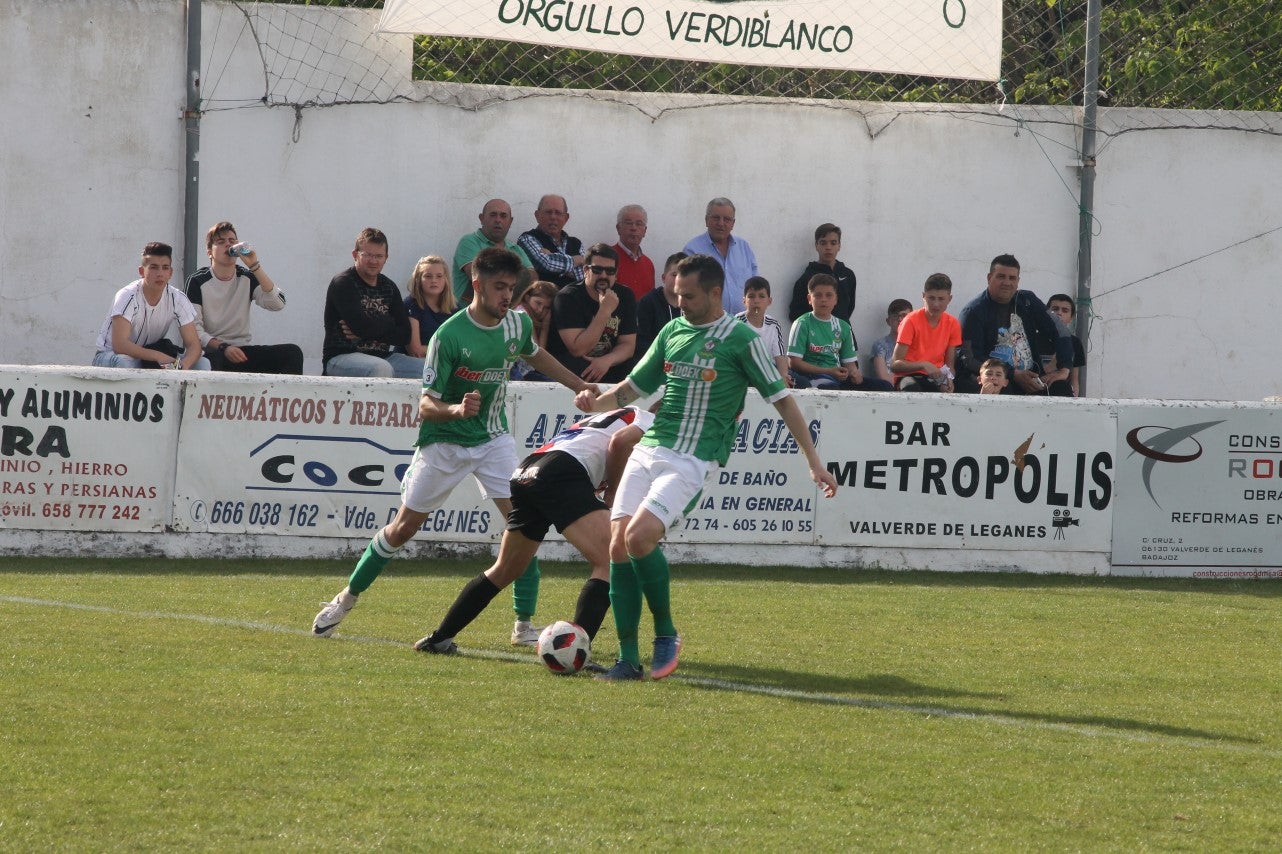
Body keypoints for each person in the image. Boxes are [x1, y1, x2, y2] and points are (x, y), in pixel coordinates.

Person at [311, 247, 599, 644]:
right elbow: (426, 404)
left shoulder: (516, 324)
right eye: (499, 287)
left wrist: (580, 386)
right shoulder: (448, 336)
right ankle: (346, 598)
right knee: (403, 529)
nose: (507, 297)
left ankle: (523, 626)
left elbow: (540, 356)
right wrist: (456, 410)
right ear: (477, 285)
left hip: (493, 440)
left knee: (525, 523)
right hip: (444, 442)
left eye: (512, 289)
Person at [574, 254, 839, 681]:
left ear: (716, 293)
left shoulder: (740, 338)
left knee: (639, 538)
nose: (680, 303)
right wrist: (594, 401)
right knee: (617, 545)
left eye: (689, 296)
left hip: (694, 457)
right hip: (651, 447)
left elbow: (783, 401)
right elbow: (632, 389)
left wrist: (814, 462)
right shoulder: (673, 330)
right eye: (677, 294)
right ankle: (627, 659)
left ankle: (665, 634)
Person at [412, 405, 653, 657]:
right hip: (560, 471)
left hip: (530, 469)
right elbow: (620, 443)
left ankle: (439, 639)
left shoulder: (624, 412)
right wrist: (613, 491)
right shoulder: (655, 419)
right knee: (611, 560)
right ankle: (575, 653)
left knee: (505, 569)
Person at [185, 221, 304, 374]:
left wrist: (254, 266)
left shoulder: (246, 277)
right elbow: (194, 331)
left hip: (242, 351)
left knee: (292, 353)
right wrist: (223, 347)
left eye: (232, 241)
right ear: (209, 252)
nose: (228, 245)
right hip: (212, 352)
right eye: (221, 242)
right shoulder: (197, 281)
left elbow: (278, 304)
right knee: (214, 362)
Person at [956, 254, 1073, 395]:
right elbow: (970, 359)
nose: (1007, 282)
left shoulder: (1028, 301)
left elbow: (1061, 331)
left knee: (1061, 387)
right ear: (989, 278)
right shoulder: (973, 312)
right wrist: (1012, 374)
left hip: (1032, 379)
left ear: (1018, 281)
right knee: (1001, 386)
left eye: (1012, 278)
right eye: (1001, 276)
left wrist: (1064, 369)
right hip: (998, 381)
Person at [92, 242, 211, 370]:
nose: (160, 273)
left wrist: (184, 365)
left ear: (170, 272)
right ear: (142, 271)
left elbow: (194, 345)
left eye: (165, 268)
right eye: (153, 267)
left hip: (148, 357)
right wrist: (157, 356)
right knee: (125, 362)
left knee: (202, 363)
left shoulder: (177, 298)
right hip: (111, 356)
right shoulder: (127, 296)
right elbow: (120, 345)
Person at [322, 227, 423, 379]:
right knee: (381, 368)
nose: (374, 261)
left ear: (386, 258)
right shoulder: (343, 283)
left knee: (427, 370)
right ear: (355, 255)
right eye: (367, 255)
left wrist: (370, 327)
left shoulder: (389, 287)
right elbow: (360, 326)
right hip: (341, 356)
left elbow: (404, 335)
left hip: (384, 356)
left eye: (379, 256)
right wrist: (388, 323)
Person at [547, 243, 638, 384]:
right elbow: (578, 349)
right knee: (579, 365)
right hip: (573, 368)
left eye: (610, 271)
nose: (603, 275)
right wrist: (605, 311)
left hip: (607, 364)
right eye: (597, 270)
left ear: (616, 274)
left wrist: (607, 360)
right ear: (585, 270)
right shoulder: (567, 297)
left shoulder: (625, 296)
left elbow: (628, 346)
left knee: (635, 367)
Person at [788, 274, 893, 391]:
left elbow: (850, 364)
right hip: (811, 377)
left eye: (829, 295)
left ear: (836, 299)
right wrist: (828, 371)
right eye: (818, 295)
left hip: (837, 378)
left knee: (885, 387)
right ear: (809, 299)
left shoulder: (844, 327)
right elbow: (794, 363)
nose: (823, 299)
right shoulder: (802, 324)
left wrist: (854, 373)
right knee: (831, 387)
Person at [683, 197, 758, 315]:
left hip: (742, 324)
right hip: (708, 325)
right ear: (706, 220)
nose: (721, 223)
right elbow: (687, 290)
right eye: (716, 218)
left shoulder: (744, 248)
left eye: (727, 219)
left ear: (733, 223)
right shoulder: (692, 250)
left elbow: (755, 286)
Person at [451, 198, 534, 304]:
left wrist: (494, 269)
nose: (498, 220)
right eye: (493, 215)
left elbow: (532, 277)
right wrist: (516, 272)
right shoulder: (469, 242)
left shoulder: (515, 249)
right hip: (468, 315)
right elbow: (478, 276)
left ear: (510, 221)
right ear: (481, 218)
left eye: (503, 216)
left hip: (505, 315)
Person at [890, 273, 962, 392]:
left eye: (941, 299)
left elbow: (949, 365)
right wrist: (923, 364)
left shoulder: (953, 323)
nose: (935, 304)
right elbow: (895, 365)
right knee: (912, 388)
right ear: (923, 296)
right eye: (931, 298)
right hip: (909, 377)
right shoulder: (910, 321)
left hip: (937, 378)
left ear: (949, 299)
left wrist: (949, 379)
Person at [788, 223, 857, 323]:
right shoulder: (807, 278)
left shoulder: (848, 275)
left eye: (833, 243)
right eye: (823, 243)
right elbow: (795, 314)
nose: (828, 247)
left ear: (839, 246)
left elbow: (849, 308)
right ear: (816, 246)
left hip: (843, 335)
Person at [517, 194, 585, 288]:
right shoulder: (527, 238)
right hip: (544, 300)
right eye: (548, 212)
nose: (553, 217)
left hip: (575, 300)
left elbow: (587, 275)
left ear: (566, 218)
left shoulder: (576, 243)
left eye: (558, 213)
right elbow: (547, 264)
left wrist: (553, 258)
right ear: (537, 215)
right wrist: (577, 260)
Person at [735, 276, 791, 384]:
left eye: (761, 296)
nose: (756, 301)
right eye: (751, 296)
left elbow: (779, 357)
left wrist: (783, 376)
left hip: (769, 369)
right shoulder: (737, 322)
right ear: (744, 301)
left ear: (769, 301)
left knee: (801, 383)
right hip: (745, 371)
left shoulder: (773, 325)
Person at [402, 255, 458, 359]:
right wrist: (449, 350)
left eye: (439, 276)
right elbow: (415, 351)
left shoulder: (455, 307)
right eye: (428, 276)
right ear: (418, 279)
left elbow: (462, 345)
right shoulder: (410, 305)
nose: (434, 280)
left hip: (444, 361)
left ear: (446, 279)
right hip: (413, 363)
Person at [635, 251, 685, 358]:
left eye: (683, 275)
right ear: (663, 277)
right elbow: (641, 343)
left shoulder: (693, 304)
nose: (678, 279)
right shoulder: (648, 303)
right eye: (674, 275)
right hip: (655, 363)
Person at [510, 280, 557, 381]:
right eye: (538, 303)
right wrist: (545, 326)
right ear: (527, 297)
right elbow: (538, 353)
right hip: (512, 367)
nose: (540, 310)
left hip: (525, 370)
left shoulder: (532, 316)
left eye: (546, 308)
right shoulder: (522, 313)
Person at [613, 204, 656, 303]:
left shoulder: (648, 264)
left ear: (645, 231)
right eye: (628, 223)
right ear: (618, 228)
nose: (633, 228)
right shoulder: (607, 258)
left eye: (639, 224)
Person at [1046, 293, 1087, 397]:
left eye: (1065, 310)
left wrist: (1074, 401)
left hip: (1062, 394)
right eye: (1055, 309)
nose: (1059, 313)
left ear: (1071, 317)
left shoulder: (1075, 343)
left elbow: (1074, 379)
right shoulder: (1034, 339)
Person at [870, 298, 913, 387]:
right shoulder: (880, 345)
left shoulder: (917, 344)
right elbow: (883, 377)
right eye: (895, 316)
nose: (900, 319)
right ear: (888, 321)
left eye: (904, 316)